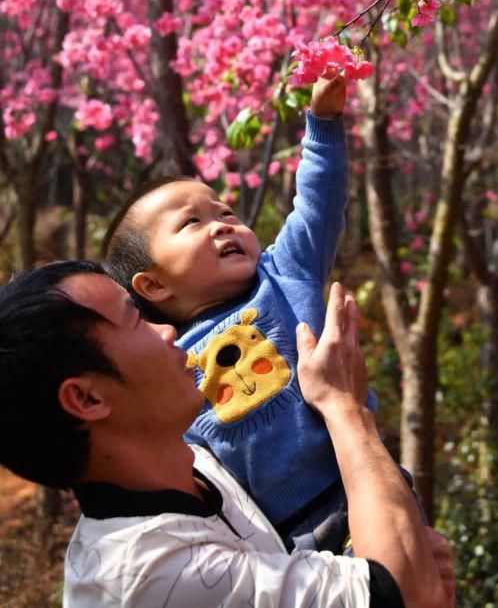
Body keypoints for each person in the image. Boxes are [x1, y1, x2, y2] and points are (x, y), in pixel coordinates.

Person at [0, 261, 454, 608]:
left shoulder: (196, 462)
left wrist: (394, 555)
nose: (167, 333)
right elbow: (407, 591)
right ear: (87, 399)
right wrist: (343, 406)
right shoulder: (149, 574)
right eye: (135, 322)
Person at [103, 75, 368, 551]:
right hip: (277, 531)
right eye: (192, 222)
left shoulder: (285, 271)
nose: (222, 226)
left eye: (225, 212)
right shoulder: (166, 359)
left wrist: (324, 122)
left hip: (365, 476)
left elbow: (318, 202)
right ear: (154, 283)